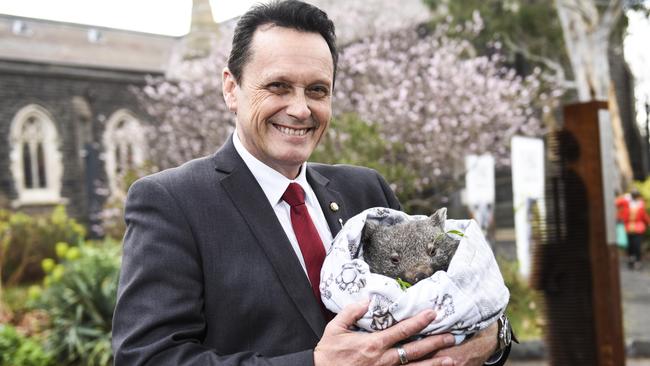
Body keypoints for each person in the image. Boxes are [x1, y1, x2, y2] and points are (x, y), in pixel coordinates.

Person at [111, 1, 513, 365]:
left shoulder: (366, 192)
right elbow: (147, 359)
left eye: (317, 90)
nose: (301, 109)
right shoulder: (171, 202)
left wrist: (491, 340)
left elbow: (448, 299)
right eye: (278, 86)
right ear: (231, 88)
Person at [616, 189, 649, 270]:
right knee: (630, 246)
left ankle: (638, 260)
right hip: (627, 227)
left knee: (637, 245)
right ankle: (631, 259)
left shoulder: (640, 204)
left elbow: (644, 215)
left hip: (638, 228)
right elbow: (617, 203)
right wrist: (624, 197)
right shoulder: (626, 202)